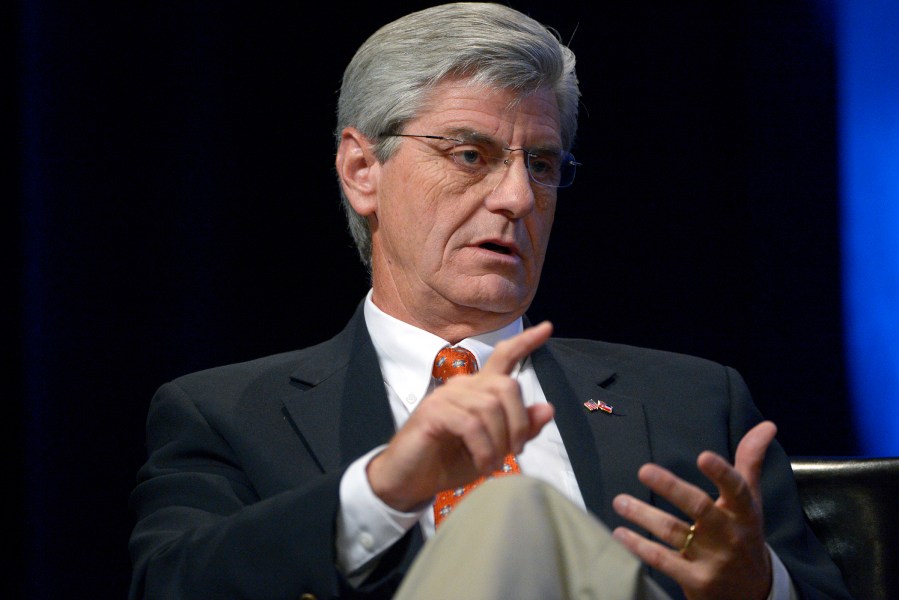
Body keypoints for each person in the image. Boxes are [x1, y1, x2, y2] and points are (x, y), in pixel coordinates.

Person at [128, 4, 851, 599]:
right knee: (509, 511)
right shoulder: (226, 414)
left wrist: (756, 588)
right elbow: (171, 583)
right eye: (470, 154)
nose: (515, 198)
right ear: (360, 171)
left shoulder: (695, 400)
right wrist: (383, 489)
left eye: (540, 164)